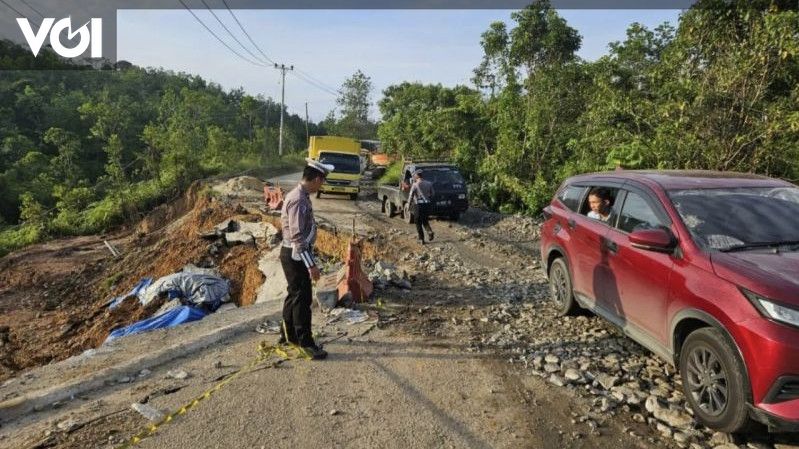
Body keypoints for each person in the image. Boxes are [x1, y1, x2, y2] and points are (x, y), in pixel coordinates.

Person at [278, 158, 334, 360]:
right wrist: (311, 265)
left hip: (294, 253)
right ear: (317, 178)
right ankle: (305, 343)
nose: (322, 185)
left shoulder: (300, 196)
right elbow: (297, 237)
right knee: (303, 298)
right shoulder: (298, 199)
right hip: (296, 255)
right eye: (322, 181)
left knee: (294, 295)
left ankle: (288, 335)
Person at [408, 170, 435, 244]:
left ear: (417, 176)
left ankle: (421, 239)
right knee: (425, 220)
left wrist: (408, 205)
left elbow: (411, 196)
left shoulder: (415, 185)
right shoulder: (429, 183)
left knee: (417, 222)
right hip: (427, 205)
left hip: (418, 205)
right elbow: (433, 194)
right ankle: (429, 232)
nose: (414, 177)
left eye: (414, 176)